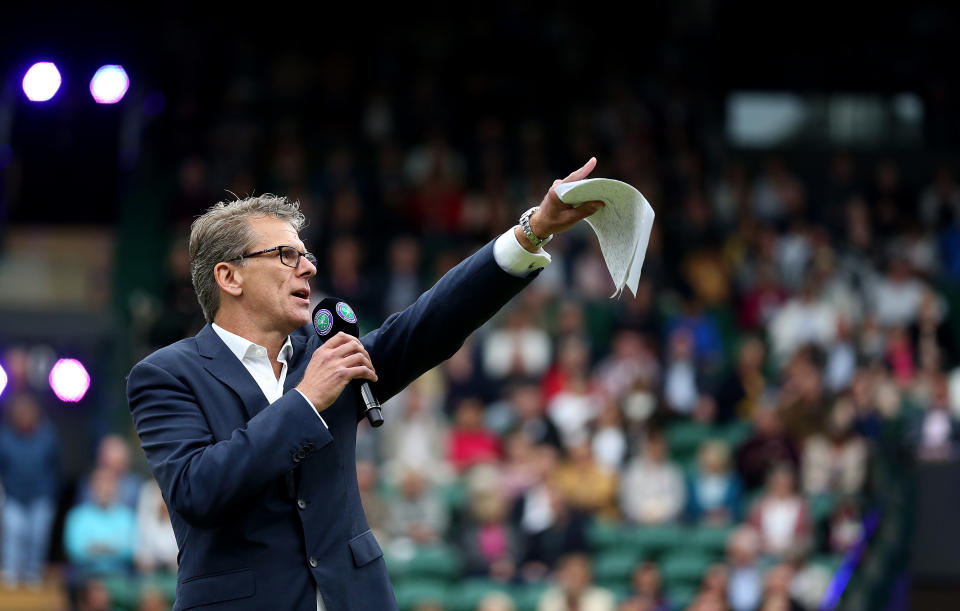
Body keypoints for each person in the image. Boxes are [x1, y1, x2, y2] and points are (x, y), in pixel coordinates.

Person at [125, 159, 606, 611]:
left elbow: (431, 321)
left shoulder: (328, 354)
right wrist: (307, 399)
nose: (309, 267)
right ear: (229, 277)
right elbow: (196, 491)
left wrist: (532, 230)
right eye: (286, 255)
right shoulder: (167, 375)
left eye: (307, 255)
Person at [0, 393, 59, 589]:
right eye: (20, 414)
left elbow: (54, 466)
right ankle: (11, 574)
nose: (24, 417)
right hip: (13, 496)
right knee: (14, 534)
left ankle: (33, 574)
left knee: (37, 535)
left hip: (41, 496)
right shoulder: (5, 438)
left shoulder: (47, 436)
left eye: (28, 413)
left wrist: (50, 492)